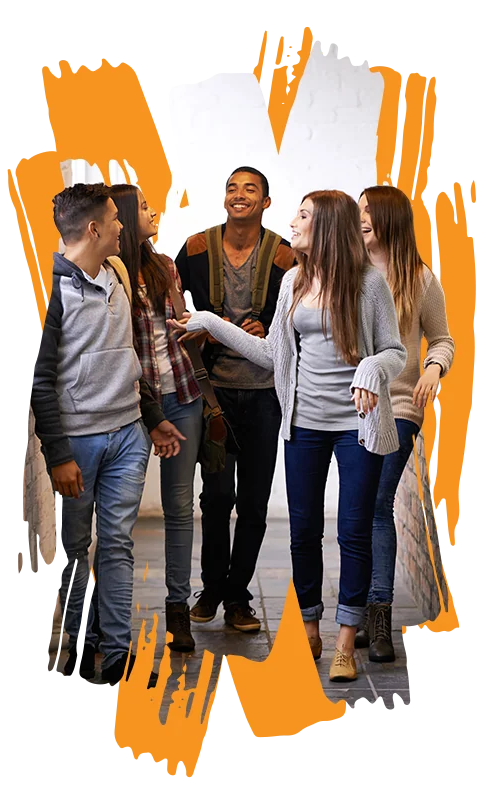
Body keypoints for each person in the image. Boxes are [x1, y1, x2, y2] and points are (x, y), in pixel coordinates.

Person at [168, 189, 408, 681]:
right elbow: (272, 353)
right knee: (303, 532)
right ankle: (311, 624)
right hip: (304, 424)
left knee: (354, 530)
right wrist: (211, 322)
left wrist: (369, 369)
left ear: (327, 227)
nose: (292, 223)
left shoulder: (368, 283)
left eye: (302, 215)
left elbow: (395, 352)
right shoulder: (295, 280)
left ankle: (346, 638)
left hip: (356, 425)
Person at [31, 183, 185, 684]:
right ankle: (82, 640)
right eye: (115, 219)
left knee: (116, 544)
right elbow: (40, 379)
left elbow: (130, 357)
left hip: (127, 435)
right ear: (94, 228)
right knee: (75, 544)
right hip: (77, 443)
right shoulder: (48, 290)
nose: (123, 226)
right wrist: (58, 456)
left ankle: (117, 650)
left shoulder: (119, 271)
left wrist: (152, 415)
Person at [173, 167, 295, 632]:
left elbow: (301, 313)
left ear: (266, 201)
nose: (238, 195)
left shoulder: (285, 255)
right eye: (231, 187)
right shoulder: (197, 247)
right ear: (224, 197)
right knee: (217, 496)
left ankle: (238, 598)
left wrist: (273, 328)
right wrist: (191, 332)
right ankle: (211, 589)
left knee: (255, 502)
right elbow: (170, 301)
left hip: (265, 394)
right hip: (214, 393)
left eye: (250, 189)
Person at [355, 185, 455, 661]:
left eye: (368, 212)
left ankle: (378, 619)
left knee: (376, 504)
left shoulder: (419, 277)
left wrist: (434, 367)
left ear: (391, 218)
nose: (360, 219)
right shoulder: (348, 275)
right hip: (351, 407)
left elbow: (442, 339)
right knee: (358, 510)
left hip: (399, 404)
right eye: (358, 212)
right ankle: (352, 614)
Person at [107, 183, 204, 653]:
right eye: (143, 206)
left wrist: (197, 325)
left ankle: (178, 610)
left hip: (183, 396)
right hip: (131, 406)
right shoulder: (108, 275)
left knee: (180, 509)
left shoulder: (165, 266)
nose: (152, 212)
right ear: (122, 216)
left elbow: (182, 324)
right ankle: (112, 626)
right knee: (121, 517)